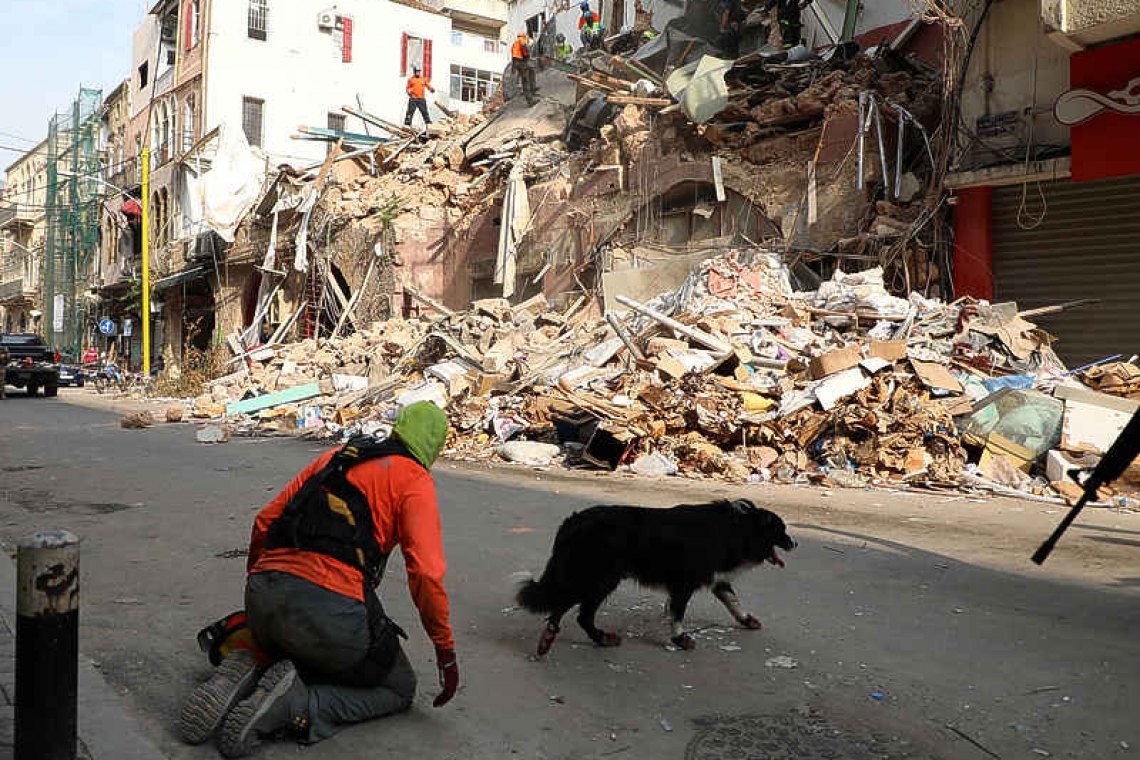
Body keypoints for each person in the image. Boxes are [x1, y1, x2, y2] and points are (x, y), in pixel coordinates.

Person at [179, 402, 458, 758]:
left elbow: (265, 521)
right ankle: (297, 706)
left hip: (264, 596)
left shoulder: (338, 457)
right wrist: (444, 650)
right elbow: (427, 574)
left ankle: (245, 664)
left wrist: (260, 587)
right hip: (329, 608)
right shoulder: (414, 480)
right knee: (398, 687)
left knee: (299, 637)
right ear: (434, 446)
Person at [511, 32, 538, 105]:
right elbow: (524, 46)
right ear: (523, 36)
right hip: (521, 62)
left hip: (517, 62)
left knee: (530, 70)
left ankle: (532, 88)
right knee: (525, 80)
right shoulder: (521, 39)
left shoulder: (514, 44)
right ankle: (530, 100)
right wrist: (527, 55)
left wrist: (513, 68)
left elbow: (513, 56)